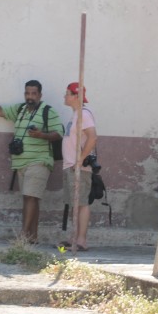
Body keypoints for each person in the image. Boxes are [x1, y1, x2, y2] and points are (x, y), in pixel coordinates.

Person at [0, 80, 63, 243]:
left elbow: (59, 133)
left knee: (30, 197)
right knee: (31, 198)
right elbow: (0, 111)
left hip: (40, 161)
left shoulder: (48, 112)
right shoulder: (20, 109)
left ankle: (22, 237)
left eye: (33, 93)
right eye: (27, 93)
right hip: (21, 162)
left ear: (40, 95)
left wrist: (42, 135)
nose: (30, 97)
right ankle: (33, 237)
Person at [60, 82, 98, 252]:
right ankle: (74, 237)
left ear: (76, 96)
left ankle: (81, 240)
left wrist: (81, 159)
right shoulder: (76, 114)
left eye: (67, 93)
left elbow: (92, 137)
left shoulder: (84, 114)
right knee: (74, 203)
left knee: (81, 203)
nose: (64, 96)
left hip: (79, 167)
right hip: (70, 165)